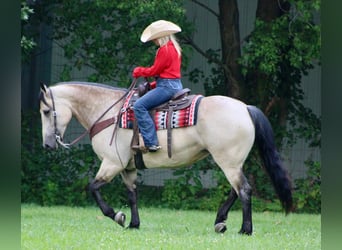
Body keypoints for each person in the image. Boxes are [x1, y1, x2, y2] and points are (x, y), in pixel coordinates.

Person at [132, 20, 183, 152]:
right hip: (175, 85)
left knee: (139, 106)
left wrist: (139, 71)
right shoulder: (175, 48)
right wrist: (155, 84)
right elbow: (169, 73)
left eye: (155, 39)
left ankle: (151, 142)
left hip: (167, 87)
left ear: (160, 37)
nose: (154, 42)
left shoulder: (164, 50)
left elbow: (155, 70)